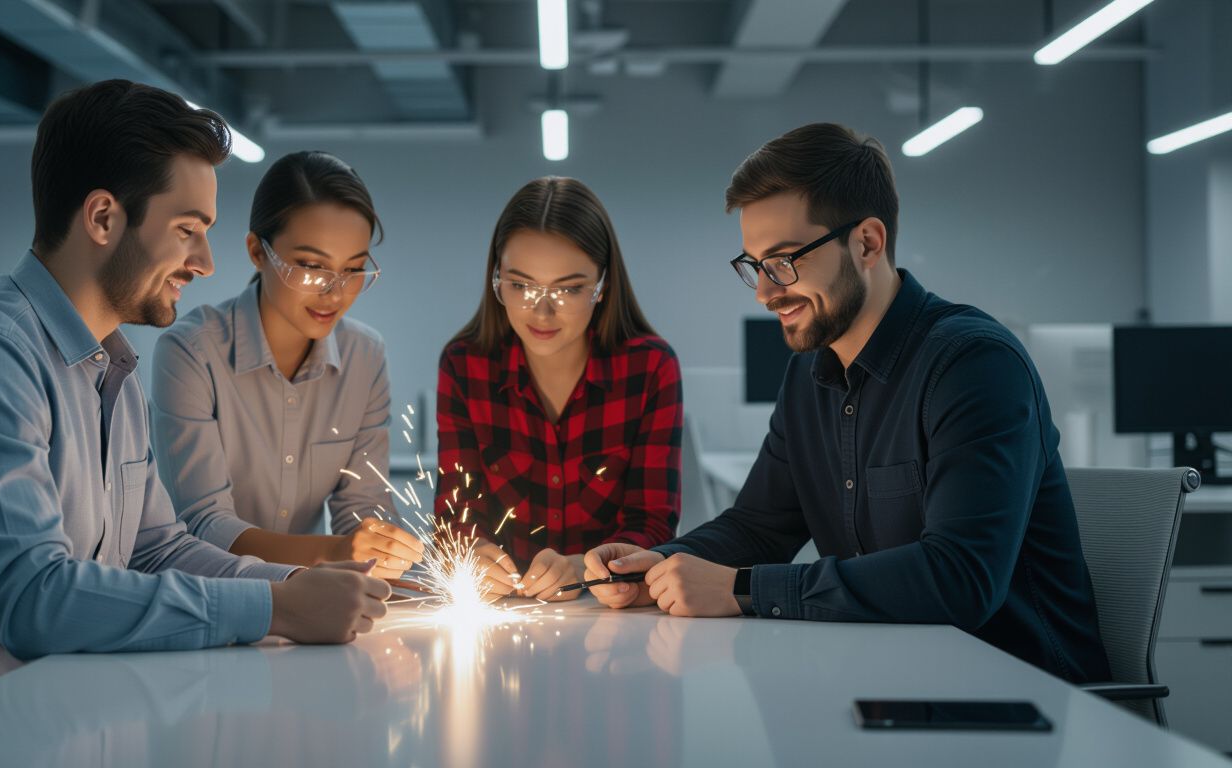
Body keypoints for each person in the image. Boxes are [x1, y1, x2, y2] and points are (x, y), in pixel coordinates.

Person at [0, 80, 388, 725]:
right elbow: (34, 598)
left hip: (63, 716)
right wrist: (277, 609)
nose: (203, 262)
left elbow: (158, 549)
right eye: (187, 230)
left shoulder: (108, 366)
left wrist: (294, 586)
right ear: (103, 218)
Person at [585, 123, 1111, 683]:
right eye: (755, 266)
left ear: (866, 242)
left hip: (1019, 699)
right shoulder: (809, 374)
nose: (765, 292)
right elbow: (760, 527)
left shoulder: (974, 366)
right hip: (892, 680)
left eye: (784, 261)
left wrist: (742, 588)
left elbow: (961, 579)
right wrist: (657, 563)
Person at [151, 151, 423, 579]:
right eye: (312, 267)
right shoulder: (190, 352)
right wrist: (335, 552)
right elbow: (205, 525)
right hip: (205, 594)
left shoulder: (364, 356)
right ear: (257, 252)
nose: (334, 293)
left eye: (353, 270)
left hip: (311, 598)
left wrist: (383, 549)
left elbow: (363, 510)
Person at [435, 176, 682, 602]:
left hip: (609, 617)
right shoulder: (464, 365)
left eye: (568, 288)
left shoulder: (650, 367)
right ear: (496, 279)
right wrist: (470, 555)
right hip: (500, 613)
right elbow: (456, 519)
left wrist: (583, 567)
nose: (542, 310)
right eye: (521, 285)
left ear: (603, 285)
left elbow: (652, 524)